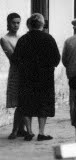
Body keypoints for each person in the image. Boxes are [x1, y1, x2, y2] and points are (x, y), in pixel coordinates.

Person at [13, 13, 60, 141]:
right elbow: (56, 58)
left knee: (26, 103)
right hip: (44, 78)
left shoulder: (23, 39)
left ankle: (29, 132)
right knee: (43, 104)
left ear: (29, 24)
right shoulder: (48, 38)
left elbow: (16, 59)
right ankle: (41, 132)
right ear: (42, 24)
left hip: (26, 77)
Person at [1, 12, 29, 140]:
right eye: (13, 22)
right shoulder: (4, 39)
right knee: (20, 102)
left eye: (18, 22)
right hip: (16, 72)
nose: (16, 25)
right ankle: (15, 130)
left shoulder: (21, 38)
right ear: (8, 23)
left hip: (25, 71)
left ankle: (21, 129)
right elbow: (13, 57)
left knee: (24, 101)